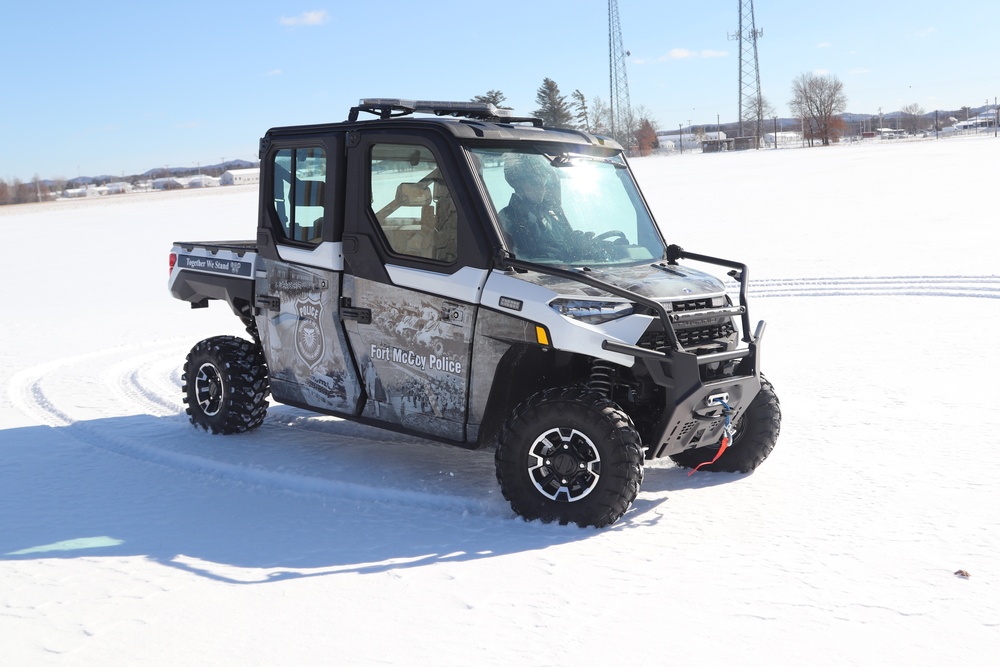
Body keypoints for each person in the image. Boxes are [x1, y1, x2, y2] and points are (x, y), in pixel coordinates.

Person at [497, 154, 572, 258]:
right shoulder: (508, 218)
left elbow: (564, 246)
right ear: (518, 185)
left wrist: (579, 246)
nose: (542, 187)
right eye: (535, 182)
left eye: (544, 182)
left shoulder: (551, 214)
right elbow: (520, 258)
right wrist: (553, 257)